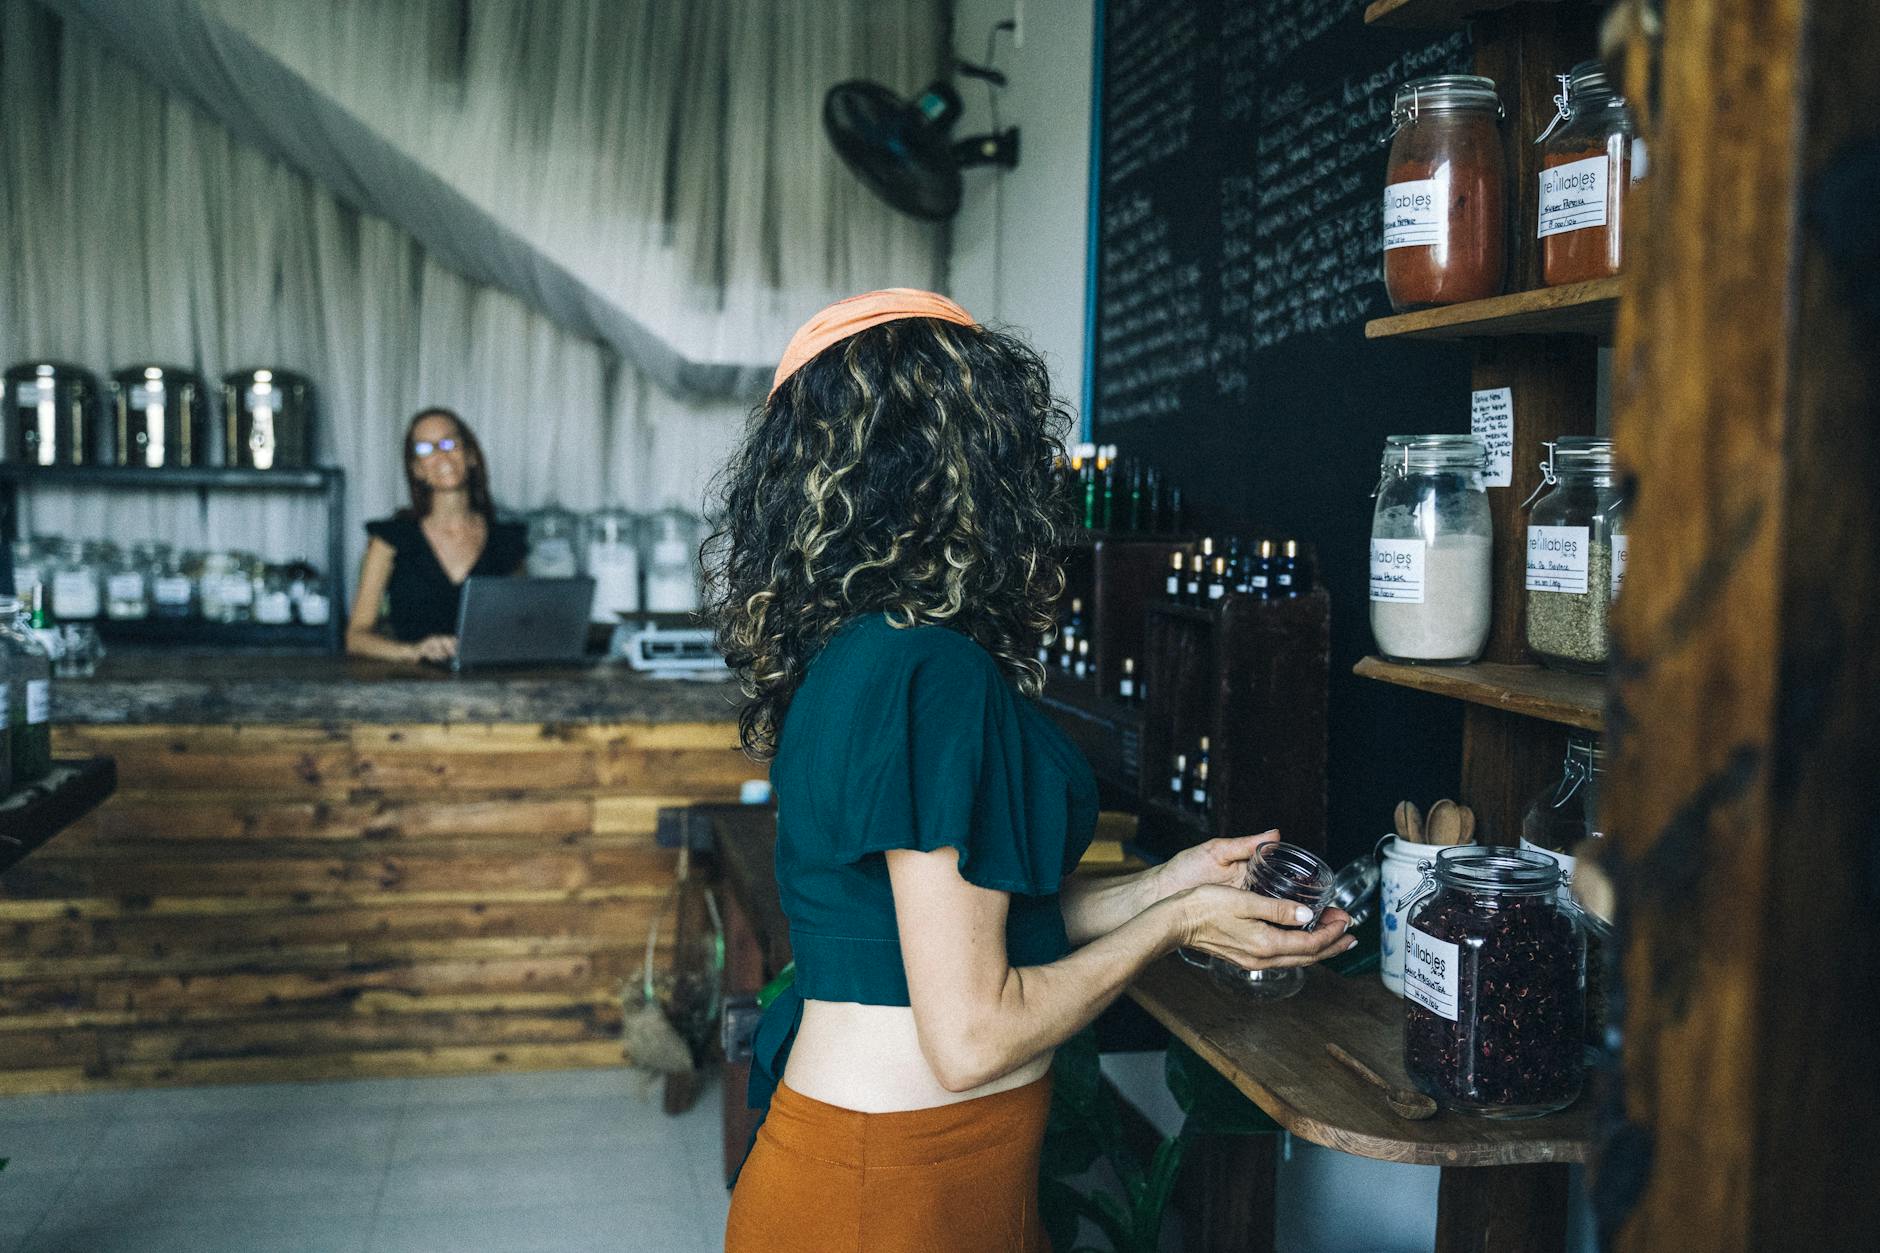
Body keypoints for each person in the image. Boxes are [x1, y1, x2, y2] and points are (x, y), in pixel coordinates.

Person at [707, 290, 1355, 1253]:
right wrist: (1178, 923)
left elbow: (962, 932)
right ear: (966, 461)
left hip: (910, 1168)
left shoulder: (857, 657)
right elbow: (973, 1037)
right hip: (890, 1192)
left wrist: (1168, 881)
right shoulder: (934, 669)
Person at [346, 407, 527, 663]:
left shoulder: (507, 540)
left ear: (471, 454)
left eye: (449, 443)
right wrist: (414, 651)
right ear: (417, 469)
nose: (441, 455)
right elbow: (356, 637)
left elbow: (524, 626)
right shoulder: (390, 539)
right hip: (411, 689)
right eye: (425, 449)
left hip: (490, 687)